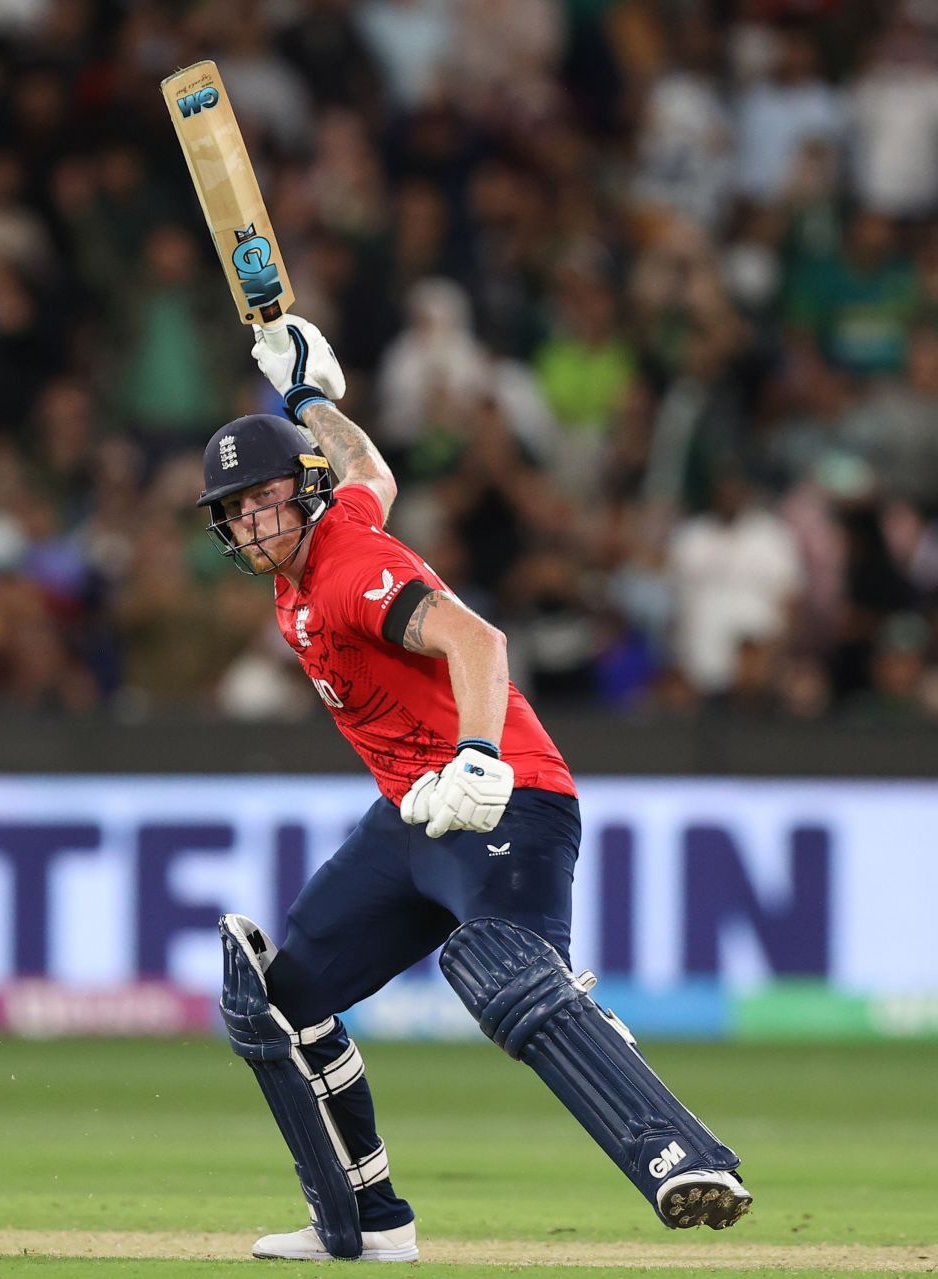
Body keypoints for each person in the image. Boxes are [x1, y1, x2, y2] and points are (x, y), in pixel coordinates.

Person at [196, 316, 751, 1263]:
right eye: (236, 509)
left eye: (266, 500)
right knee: (275, 1004)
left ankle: (683, 1159)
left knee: (498, 972)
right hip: (413, 817)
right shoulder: (327, 537)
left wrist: (481, 754)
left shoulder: (348, 570)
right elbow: (375, 474)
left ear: (303, 495)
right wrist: (313, 399)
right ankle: (366, 1225)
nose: (252, 522)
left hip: (507, 797)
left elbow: (476, 641)